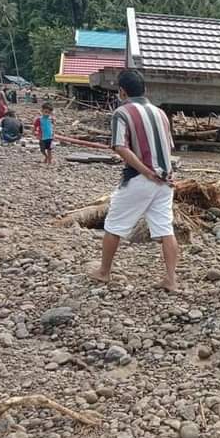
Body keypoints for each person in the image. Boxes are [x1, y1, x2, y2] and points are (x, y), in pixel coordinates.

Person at [89, 69, 179, 292]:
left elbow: (120, 146)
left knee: (114, 225)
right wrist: (166, 173)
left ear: (122, 91)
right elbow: (168, 147)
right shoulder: (160, 113)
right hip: (165, 180)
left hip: (140, 178)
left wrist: (145, 170)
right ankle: (171, 279)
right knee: (165, 229)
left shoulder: (122, 112)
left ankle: (104, 272)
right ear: (145, 89)